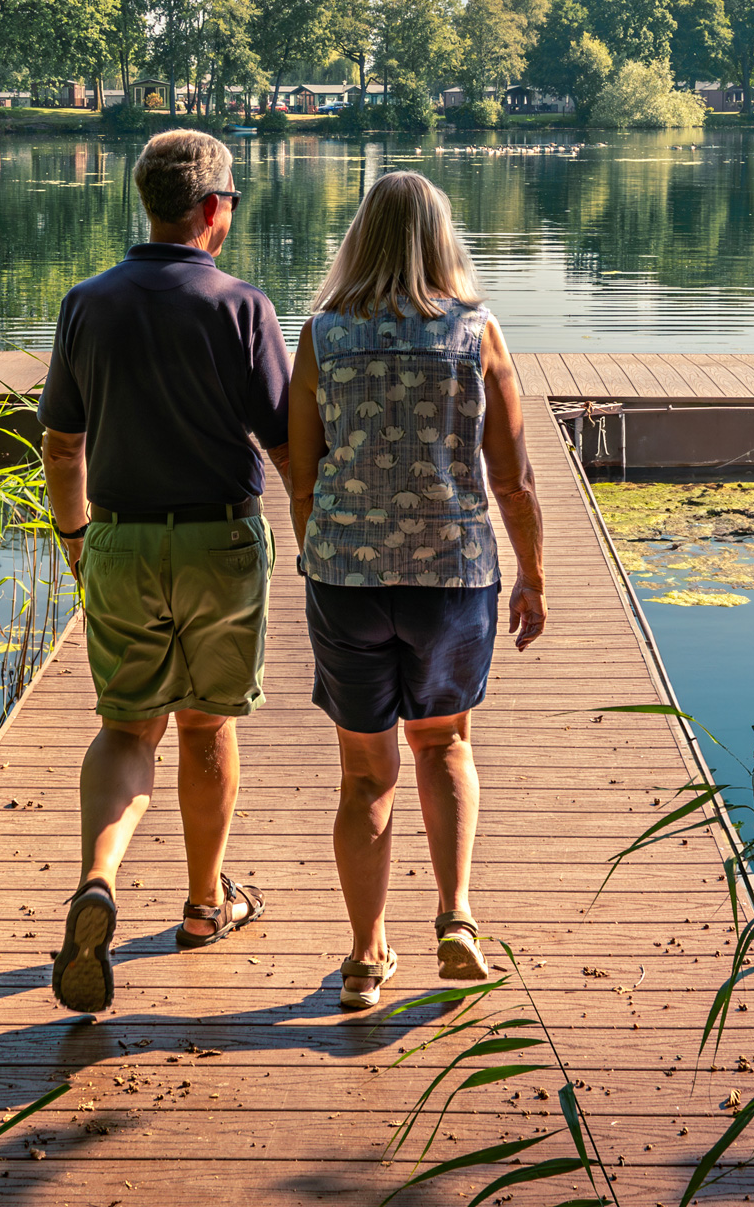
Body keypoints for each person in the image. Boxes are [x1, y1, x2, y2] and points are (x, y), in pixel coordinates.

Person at [38, 128, 291, 1013]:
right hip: (220, 543)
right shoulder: (241, 306)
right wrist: (319, 544)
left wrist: (77, 541)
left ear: (146, 203)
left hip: (118, 539)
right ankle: (201, 905)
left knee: (125, 727)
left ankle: (99, 881)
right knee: (206, 725)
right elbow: (285, 442)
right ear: (214, 207)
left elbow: (62, 444)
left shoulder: (87, 303)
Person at [288, 170, 546, 1012]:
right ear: (443, 239)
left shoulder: (322, 336)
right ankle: (457, 920)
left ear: (359, 237)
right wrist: (534, 575)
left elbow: (303, 472)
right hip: (451, 578)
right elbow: (512, 480)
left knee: (366, 776)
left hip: (347, 579)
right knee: (443, 747)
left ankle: (364, 960)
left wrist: (322, 559)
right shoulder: (477, 334)